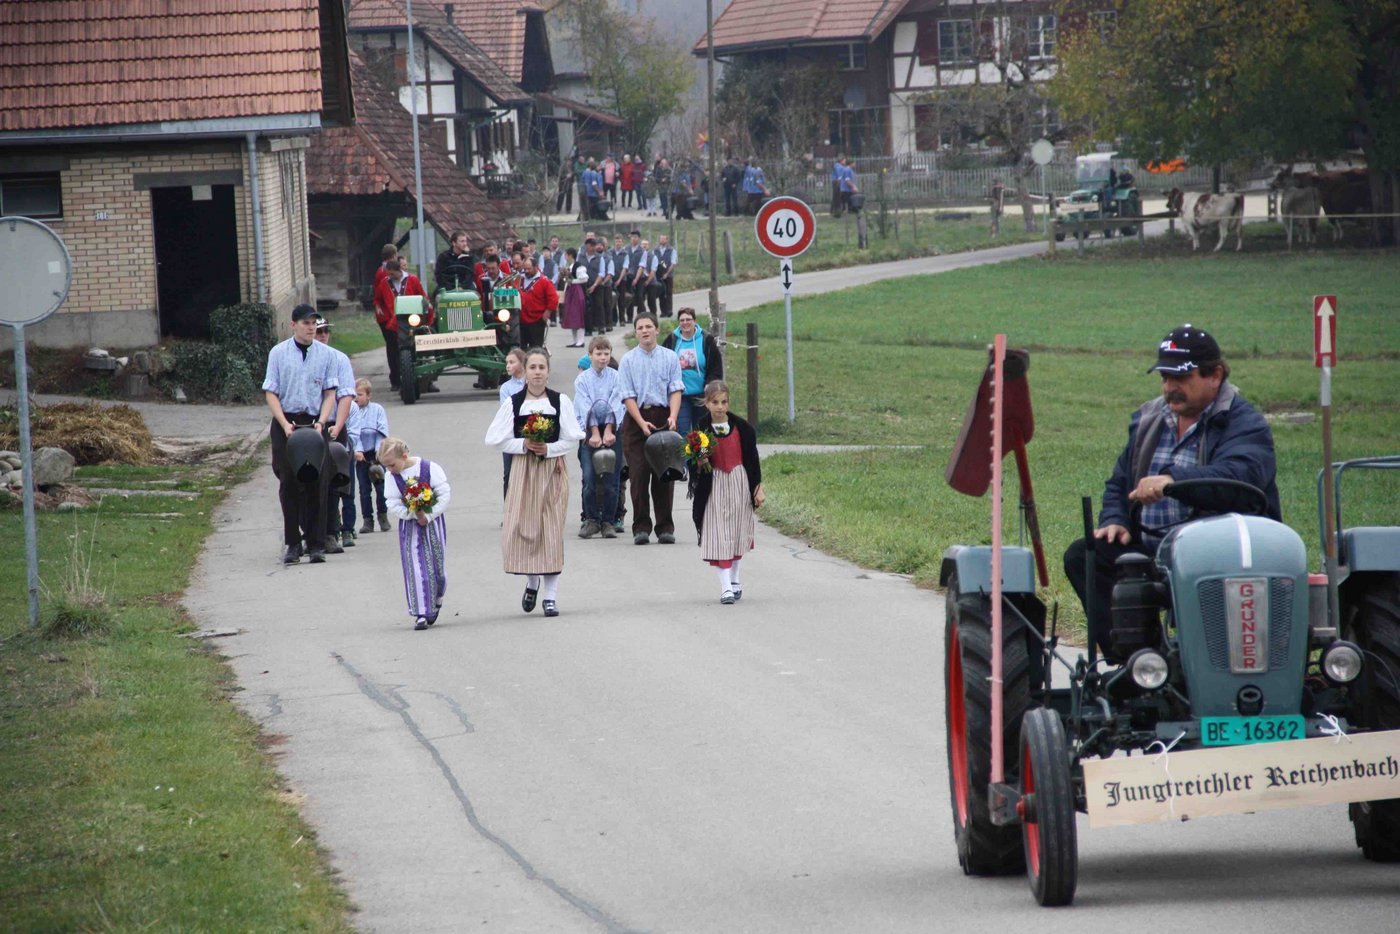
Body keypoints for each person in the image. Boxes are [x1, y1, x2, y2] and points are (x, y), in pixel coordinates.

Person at [1063, 324, 1280, 660]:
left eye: (1181, 377)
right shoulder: (1151, 418)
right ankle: (1138, 666)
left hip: (1220, 553)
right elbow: (1122, 480)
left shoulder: (1245, 423)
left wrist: (1171, 482)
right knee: (1085, 556)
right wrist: (1116, 518)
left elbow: (1241, 478)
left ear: (1215, 375)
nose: (1169, 387)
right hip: (1154, 551)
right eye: (1165, 377)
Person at [485, 348, 586, 617]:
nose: (538, 372)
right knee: (525, 529)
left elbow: (572, 437)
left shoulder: (560, 401)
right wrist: (524, 444)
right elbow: (495, 439)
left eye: (542, 367)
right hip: (524, 471)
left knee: (551, 531)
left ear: (548, 371)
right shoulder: (514, 403)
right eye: (533, 367)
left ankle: (550, 597)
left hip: (552, 471)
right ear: (525, 371)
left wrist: (549, 449)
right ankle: (532, 582)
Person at [262, 303, 339, 565]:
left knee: (318, 481)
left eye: (314, 323)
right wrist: (283, 423)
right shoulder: (278, 353)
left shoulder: (325, 354)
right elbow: (271, 392)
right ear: (293, 324)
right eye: (306, 323)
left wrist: (322, 422)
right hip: (287, 421)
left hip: (314, 423)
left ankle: (316, 542)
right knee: (289, 482)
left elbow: (330, 393)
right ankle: (293, 543)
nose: (311, 328)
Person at [689, 380, 764, 604]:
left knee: (736, 533)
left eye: (724, 402)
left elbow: (752, 460)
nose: (720, 407)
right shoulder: (701, 430)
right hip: (714, 486)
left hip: (739, 483)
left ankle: (735, 578)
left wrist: (757, 488)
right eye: (715, 402)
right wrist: (699, 461)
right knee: (718, 535)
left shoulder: (743, 428)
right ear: (707, 403)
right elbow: (694, 462)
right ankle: (725, 588)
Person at [619, 313, 684, 545]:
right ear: (635, 332)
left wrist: (673, 416)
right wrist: (640, 421)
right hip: (637, 418)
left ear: (657, 330)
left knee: (665, 474)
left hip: (663, 415)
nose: (645, 331)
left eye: (649, 326)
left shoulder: (670, 357)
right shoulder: (628, 360)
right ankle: (641, 527)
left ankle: (665, 526)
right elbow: (627, 396)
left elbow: (676, 388)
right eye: (640, 328)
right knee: (638, 473)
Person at [379, 437, 451, 631]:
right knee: (416, 566)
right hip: (410, 526)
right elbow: (391, 502)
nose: (390, 469)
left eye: (392, 464)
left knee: (437, 569)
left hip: (433, 523)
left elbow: (444, 494)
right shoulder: (391, 477)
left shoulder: (429, 468)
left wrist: (428, 514)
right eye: (386, 466)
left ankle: (436, 600)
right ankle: (420, 612)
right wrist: (411, 514)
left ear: (404, 456)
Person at [313, 317, 358, 553]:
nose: (322, 335)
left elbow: (346, 396)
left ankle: (331, 531)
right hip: (308, 425)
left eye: (325, 331)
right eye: (318, 331)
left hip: (333, 426)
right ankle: (310, 532)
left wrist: (338, 427)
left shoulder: (339, 359)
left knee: (334, 481)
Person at [574, 336, 624, 539]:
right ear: (590, 355)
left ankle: (609, 522)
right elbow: (584, 405)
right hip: (589, 430)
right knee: (589, 477)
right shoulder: (582, 379)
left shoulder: (616, 376)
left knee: (612, 478)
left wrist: (609, 430)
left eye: (606, 354)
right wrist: (594, 433)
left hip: (612, 428)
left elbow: (617, 402)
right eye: (598, 354)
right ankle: (592, 519)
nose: (603, 358)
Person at [662, 307, 723, 436]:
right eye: (682, 320)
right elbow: (663, 364)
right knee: (683, 431)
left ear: (695, 321)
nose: (685, 323)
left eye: (688, 319)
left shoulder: (706, 340)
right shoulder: (671, 340)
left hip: (701, 394)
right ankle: (685, 456)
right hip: (680, 395)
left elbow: (715, 367)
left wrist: (709, 384)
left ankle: (702, 456)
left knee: (701, 432)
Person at [372, 259, 431, 392]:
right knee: (394, 351)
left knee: (417, 349)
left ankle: (424, 381)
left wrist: (425, 312)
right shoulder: (384, 283)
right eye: (389, 274)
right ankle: (396, 381)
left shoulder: (413, 280)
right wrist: (378, 307)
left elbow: (422, 297)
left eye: (392, 274)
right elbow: (378, 299)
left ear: (400, 271)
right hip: (394, 322)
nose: (390, 277)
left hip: (412, 320)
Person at [347, 378, 390, 534]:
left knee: (380, 487)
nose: (356, 398)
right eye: (354, 395)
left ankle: (383, 516)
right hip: (360, 456)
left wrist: (379, 450)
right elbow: (353, 433)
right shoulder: (351, 411)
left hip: (377, 453)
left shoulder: (377, 410)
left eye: (360, 394)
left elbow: (382, 430)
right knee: (364, 490)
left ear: (369, 395)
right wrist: (357, 450)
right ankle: (367, 520)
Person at [498, 348, 526, 498]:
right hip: (510, 435)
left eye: (512, 362)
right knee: (509, 474)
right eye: (507, 363)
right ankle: (509, 512)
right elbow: (507, 411)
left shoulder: (531, 382)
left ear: (522, 363)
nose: (508, 366)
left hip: (531, 434)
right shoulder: (506, 387)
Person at [517, 256, 559, 350]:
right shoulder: (520, 279)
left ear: (536, 267)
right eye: (525, 269)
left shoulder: (544, 281)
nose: (526, 271)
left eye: (529, 269)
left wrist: (547, 313)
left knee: (535, 348)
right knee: (521, 348)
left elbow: (553, 298)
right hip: (521, 320)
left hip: (537, 320)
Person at [561, 247, 588, 347]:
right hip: (570, 291)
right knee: (571, 315)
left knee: (578, 315)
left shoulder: (578, 266)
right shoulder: (569, 266)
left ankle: (581, 340)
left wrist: (572, 281)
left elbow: (584, 279)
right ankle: (575, 340)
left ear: (570, 255)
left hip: (576, 292)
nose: (565, 257)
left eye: (566, 255)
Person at [623, 231, 650, 324]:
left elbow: (642, 266)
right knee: (629, 297)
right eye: (632, 237)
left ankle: (641, 316)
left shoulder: (643, 251)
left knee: (639, 296)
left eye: (635, 237)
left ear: (638, 238)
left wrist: (636, 279)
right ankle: (629, 317)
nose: (633, 239)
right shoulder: (626, 249)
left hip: (640, 277)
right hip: (628, 276)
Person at [648, 235, 678, 318]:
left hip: (668, 274)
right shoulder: (655, 250)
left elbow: (673, 263)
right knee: (661, 293)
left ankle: (669, 310)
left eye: (663, 239)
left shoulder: (671, 250)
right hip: (659, 274)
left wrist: (667, 273)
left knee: (668, 292)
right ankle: (663, 311)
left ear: (667, 240)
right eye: (660, 239)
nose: (661, 240)